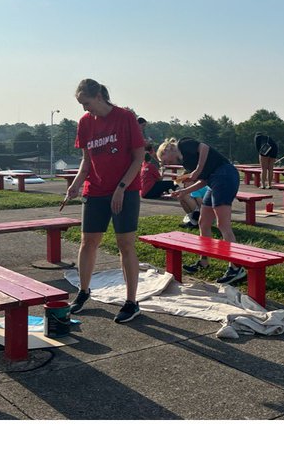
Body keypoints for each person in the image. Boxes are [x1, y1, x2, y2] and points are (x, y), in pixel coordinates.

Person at [61, 78, 146, 324]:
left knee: (125, 244)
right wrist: (76, 184)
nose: (84, 109)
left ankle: (131, 302)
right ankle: (84, 292)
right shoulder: (85, 123)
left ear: (98, 96)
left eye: (86, 103)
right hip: (96, 189)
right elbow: (86, 162)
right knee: (88, 242)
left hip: (125, 189)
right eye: (81, 105)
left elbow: (138, 158)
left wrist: (121, 188)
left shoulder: (125, 117)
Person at [157, 136, 245, 283]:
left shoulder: (183, 144)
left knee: (223, 225)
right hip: (213, 181)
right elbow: (203, 179)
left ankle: (236, 268)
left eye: (163, 158)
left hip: (224, 176)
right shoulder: (187, 163)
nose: (165, 163)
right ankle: (204, 261)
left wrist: (197, 170)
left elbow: (204, 147)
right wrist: (183, 192)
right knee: (203, 222)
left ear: (167, 149)